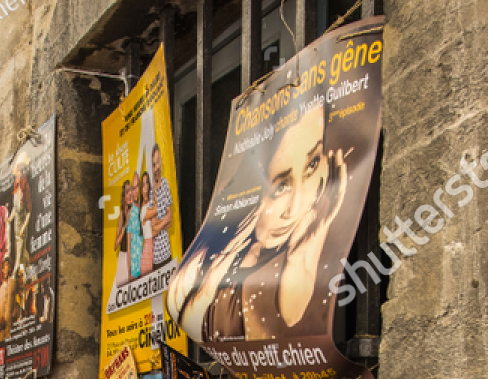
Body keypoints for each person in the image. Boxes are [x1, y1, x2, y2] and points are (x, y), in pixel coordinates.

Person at [170, 103, 347, 345]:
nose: (295, 208)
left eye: (312, 164)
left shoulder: (295, 249)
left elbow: (292, 318)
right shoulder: (220, 255)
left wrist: (304, 253)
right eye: (280, 186)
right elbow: (188, 318)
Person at [149, 142, 174, 270]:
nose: (156, 167)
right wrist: (164, 221)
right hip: (153, 257)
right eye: (153, 164)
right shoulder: (148, 191)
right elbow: (151, 229)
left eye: (158, 162)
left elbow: (170, 221)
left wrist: (159, 223)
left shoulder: (165, 183)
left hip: (167, 252)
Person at [138, 172, 156, 276]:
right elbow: (155, 211)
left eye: (147, 183)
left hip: (153, 244)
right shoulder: (143, 209)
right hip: (148, 245)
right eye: (143, 185)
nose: (145, 188)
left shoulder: (149, 204)